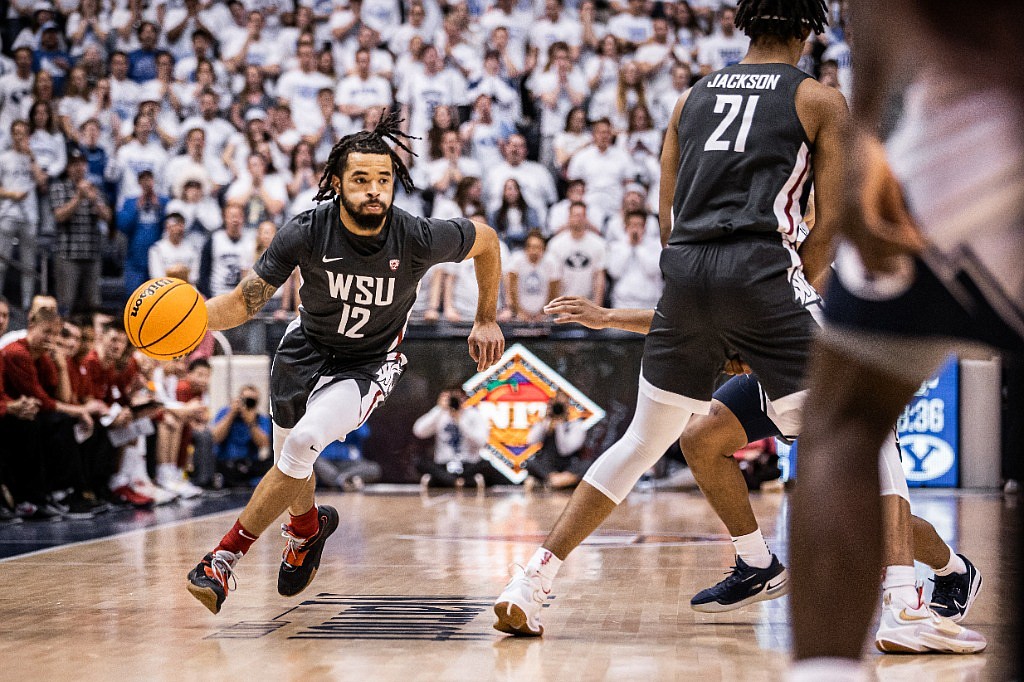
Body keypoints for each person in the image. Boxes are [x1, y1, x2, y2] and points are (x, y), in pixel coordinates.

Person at [492, 0, 985, 650]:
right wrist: (778, 297)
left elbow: (668, 219)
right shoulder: (817, 99)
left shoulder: (691, 96)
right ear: (811, 32)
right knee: (857, 430)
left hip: (691, 272)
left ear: (742, 24)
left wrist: (712, 309)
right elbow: (830, 221)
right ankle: (900, 607)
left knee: (644, 441)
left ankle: (530, 581)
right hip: (762, 271)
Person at [185, 112, 505, 615]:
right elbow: (247, 301)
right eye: (360, 180)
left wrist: (486, 317)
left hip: (368, 361)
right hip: (303, 348)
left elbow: (486, 240)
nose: (374, 190)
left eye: (384, 180)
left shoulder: (415, 236)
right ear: (336, 183)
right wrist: (195, 320)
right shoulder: (306, 232)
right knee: (290, 469)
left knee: (303, 445)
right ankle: (308, 531)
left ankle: (223, 558)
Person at [788, 0, 1024, 677]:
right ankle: (909, 597)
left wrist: (863, 134)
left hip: (965, 137)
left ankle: (856, 643)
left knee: (846, 425)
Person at [49, 149, 112, 316]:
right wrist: (78, 197)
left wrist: (94, 201)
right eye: (75, 164)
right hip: (68, 255)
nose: (79, 167)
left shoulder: (94, 188)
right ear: (68, 167)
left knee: (94, 304)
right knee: (66, 303)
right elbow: (59, 216)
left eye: (82, 164)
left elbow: (108, 217)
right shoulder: (59, 187)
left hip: (91, 254)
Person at [413, 388, 495, 489]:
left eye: (458, 397)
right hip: (443, 465)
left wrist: (460, 420)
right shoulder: (440, 414)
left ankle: (448, 481)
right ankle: (459, 482)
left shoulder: (473, 414)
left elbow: (482, 441)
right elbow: (419, 431)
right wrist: (438, 409)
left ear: (464, 398)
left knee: (486, 465)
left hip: (467, 465)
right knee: (419, 462)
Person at [208, 384, 272, 489]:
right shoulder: (225, 413)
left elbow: (263, 444)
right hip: (224, 465)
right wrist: (231, 414)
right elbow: (215, 438)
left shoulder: (260, 419)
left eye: (251, 401)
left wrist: (251, 423)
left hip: (248, 466)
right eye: (245, 400)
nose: (247, 404)